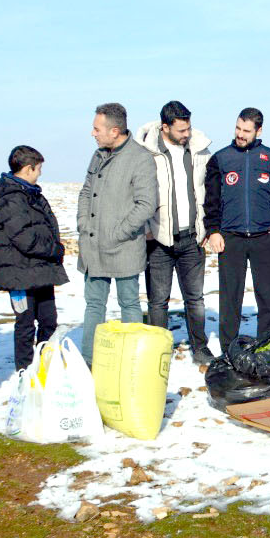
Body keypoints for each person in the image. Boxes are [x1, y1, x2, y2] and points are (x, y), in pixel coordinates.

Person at [203, 107, 270, 353]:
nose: (240, 135)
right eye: (238, 129)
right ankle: (229, 351)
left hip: (265, 238)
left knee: (267, 298)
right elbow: (210, 200)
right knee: (230, 299)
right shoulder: (221, 159)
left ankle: (268, 348)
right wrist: (213, 230)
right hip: (230, 238)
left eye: (246, 130)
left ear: (259, 130)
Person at [135, 101, 214, 364]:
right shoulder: (146, 153)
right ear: (165, 127)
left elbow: (209, 191)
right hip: (158, 239)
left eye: (188, 128)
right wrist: (146, 229)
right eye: (181, 130)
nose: (186, 134)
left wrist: (207, 227)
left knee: (196, 298)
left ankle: (200, 347)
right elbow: (137, 193)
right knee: (158, 301)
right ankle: (159, 349)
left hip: (192, 238)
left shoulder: (199, 150)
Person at [77, 102, 155, 365]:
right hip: (93, 245)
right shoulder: (98, 154)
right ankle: (89, 361)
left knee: (129, 303)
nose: (93, 133)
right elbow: (87, 191)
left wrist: (119, 233)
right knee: (94, 305)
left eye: (97, 128)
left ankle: (132, 361)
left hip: (124, 246)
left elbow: (146, 204)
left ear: (115, 130)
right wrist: (83, 223)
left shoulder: (140, 158)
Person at [0, 146, 68, 373]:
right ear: (28, 168)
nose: (40, 173)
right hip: (19, 274)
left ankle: (46, 366)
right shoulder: (12, 199)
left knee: (48, 320)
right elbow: (24, 237)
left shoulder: (31, 194)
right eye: (39, 168)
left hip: (40, 270)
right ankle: (24, 370)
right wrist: (54, 250)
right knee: (25, 323)